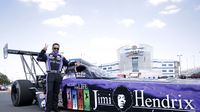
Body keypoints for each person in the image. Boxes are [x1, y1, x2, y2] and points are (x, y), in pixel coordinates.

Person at [37, 43, 69, 112]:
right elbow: (38, 58)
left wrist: (75, 63)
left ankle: (55, 107)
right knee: (50, 92)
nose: (56, 50)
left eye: (57, 48)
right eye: (55, 48)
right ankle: (48, 109)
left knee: (56, 92)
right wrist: (43, 50)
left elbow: (68, 63)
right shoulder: (47, 55)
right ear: (52, 48)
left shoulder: (61, 57)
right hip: (50, 74)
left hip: (58, 75)